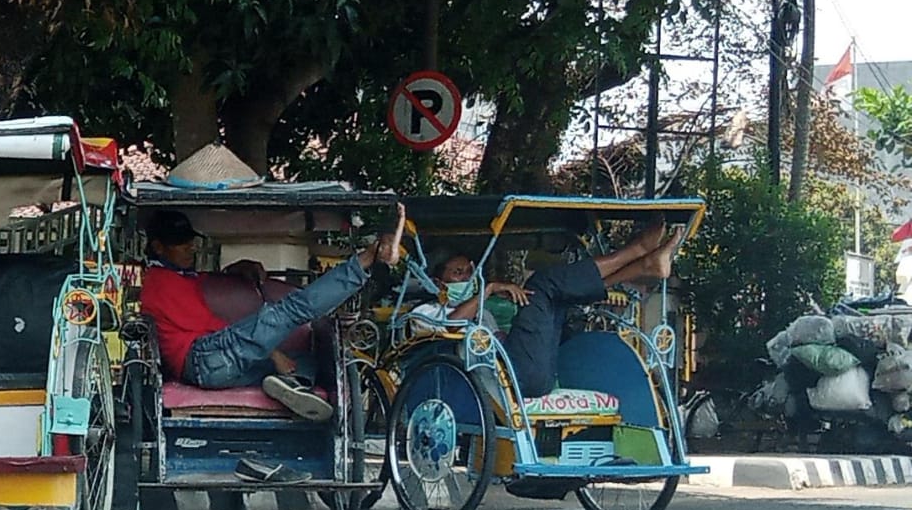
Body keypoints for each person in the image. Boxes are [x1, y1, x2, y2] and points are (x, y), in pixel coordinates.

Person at [141, 205, 406, 422]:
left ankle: (290, 386)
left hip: (216, 365)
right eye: (179, 243)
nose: (190, 247)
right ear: (159, 247)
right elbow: (213, 328)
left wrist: (235, 270)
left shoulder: (179, 276)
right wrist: (271, 351)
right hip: (202, 359)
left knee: (305, 361)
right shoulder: (159, 281)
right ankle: (367, 258)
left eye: (190, 241)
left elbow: (201, 284)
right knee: (289, 310)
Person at [415, 218, 686, 398]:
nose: (466, 277)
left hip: (529, 368)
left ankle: (641, 266)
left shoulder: (483, 310)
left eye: (470, 272)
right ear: (439, 281)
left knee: (557, 295)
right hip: (510, 379)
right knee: (542, 283)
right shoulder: (425, 313)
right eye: (457, 273)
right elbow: (451, 325)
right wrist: (489, 289)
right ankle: (636, 254)